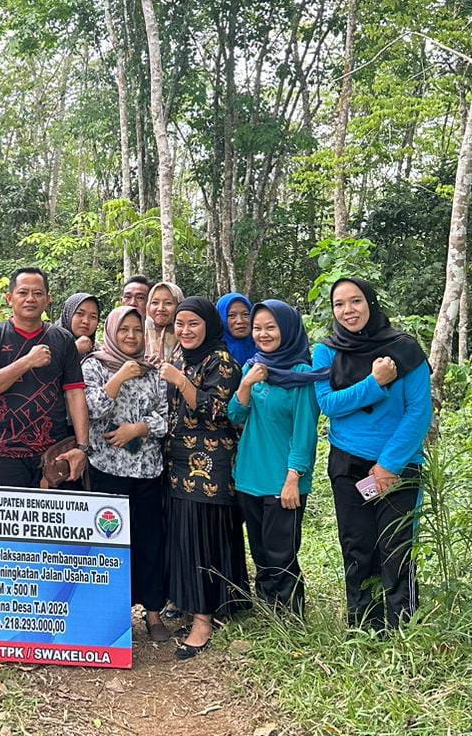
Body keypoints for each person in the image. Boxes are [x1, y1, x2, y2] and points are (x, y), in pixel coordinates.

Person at [314, 277, 431, 630]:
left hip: (399, 467)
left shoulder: (404, 349)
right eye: (339, 304)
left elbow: (418, 412)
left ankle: (403, 626)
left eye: (356, 301)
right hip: (348, 465)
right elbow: (328, 404)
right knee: (357, 546)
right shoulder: (327, 351)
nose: (348, 311)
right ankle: (365, 624)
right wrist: (375, 382)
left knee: (396, 548)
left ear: (371, 303)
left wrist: (388, 465)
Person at [159, 296, 248, 659]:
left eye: (193, 323)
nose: (185, 330)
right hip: (177, 462)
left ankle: (203, 620)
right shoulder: (180, 355)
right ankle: (203, 603)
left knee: (204, 538)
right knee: (185, 536)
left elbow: (220, 411)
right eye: (180, 324)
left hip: (211, 465)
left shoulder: (222, 361)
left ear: (209, 325)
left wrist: (180, 380)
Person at [228, 300, 326, 615]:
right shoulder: (252, 368)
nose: (263, 334)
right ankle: (269, 608)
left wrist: (293, 477)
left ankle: (290, 614)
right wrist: (246, 383)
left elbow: (305, 430)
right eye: (258, 328)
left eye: (271, 327)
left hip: (284, 478)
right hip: (249, 474)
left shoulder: (303, 374)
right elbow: (235, 415)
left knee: (281, 550)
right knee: (259, 549)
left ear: (287, 329)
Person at [82, 305, 170, 641]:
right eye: (124, 330)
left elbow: (166, 420)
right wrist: (119, 376)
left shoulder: (154, 370)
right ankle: (114, 615)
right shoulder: (94, 366)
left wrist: (138, 429)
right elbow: (93, 410)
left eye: (136, 330)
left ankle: (153, 613)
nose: (131, 336)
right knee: (110, 544)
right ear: (111, 332)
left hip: (147, 470)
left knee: (150, 541)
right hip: (107, 469)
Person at [0, 267, 88, 488]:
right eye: (23, 292)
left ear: (48, 299)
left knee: (56, 521)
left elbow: (75, 393)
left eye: (37, 293)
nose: (30, 299)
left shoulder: (62, 339)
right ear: (9, 298)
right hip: (4, 452)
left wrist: (82, 447)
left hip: (54, 453)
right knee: (8, 521)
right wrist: (27, 362)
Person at [145, 281, 185, 364]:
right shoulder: (138, 332)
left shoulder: (186, 334)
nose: (160, 308)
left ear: (179, 306)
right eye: (155, 302)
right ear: (148, 306)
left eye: (168, 303)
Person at [217, 293, 256, 367]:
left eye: (245, 314)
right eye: (231, 315)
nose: (240, 321)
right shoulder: (214, 355)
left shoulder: (263, 345)